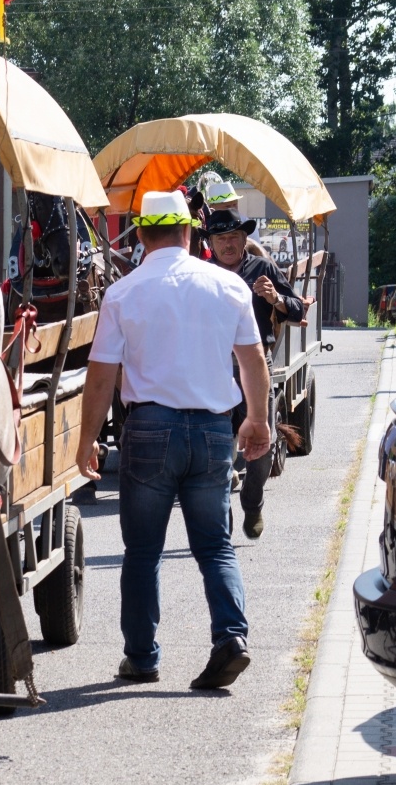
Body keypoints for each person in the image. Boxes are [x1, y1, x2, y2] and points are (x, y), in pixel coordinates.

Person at [77, 189, 272, 690]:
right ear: (189, 231)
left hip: (149, 430)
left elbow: (101, 376)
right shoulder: (228, 287)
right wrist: (258, 419)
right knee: (215, 545)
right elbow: (253, 360)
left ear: (141, 234)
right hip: (211, 429)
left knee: (143, 551)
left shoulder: (122, 293)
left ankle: (141, 657)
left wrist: (87, 441)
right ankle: (230, 636)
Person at [204, 208, 309, 539]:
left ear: (244, 239)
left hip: (255, 366)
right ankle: (222, 516)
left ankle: (252, 501)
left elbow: (298, 308)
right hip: (214, 366)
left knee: (262, 446)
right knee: (215, 446)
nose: (229, 244)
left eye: (234, 237)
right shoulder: (202, 274)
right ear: (210, 243)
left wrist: (275, 298)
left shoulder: (262, 268)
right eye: (221, 238)